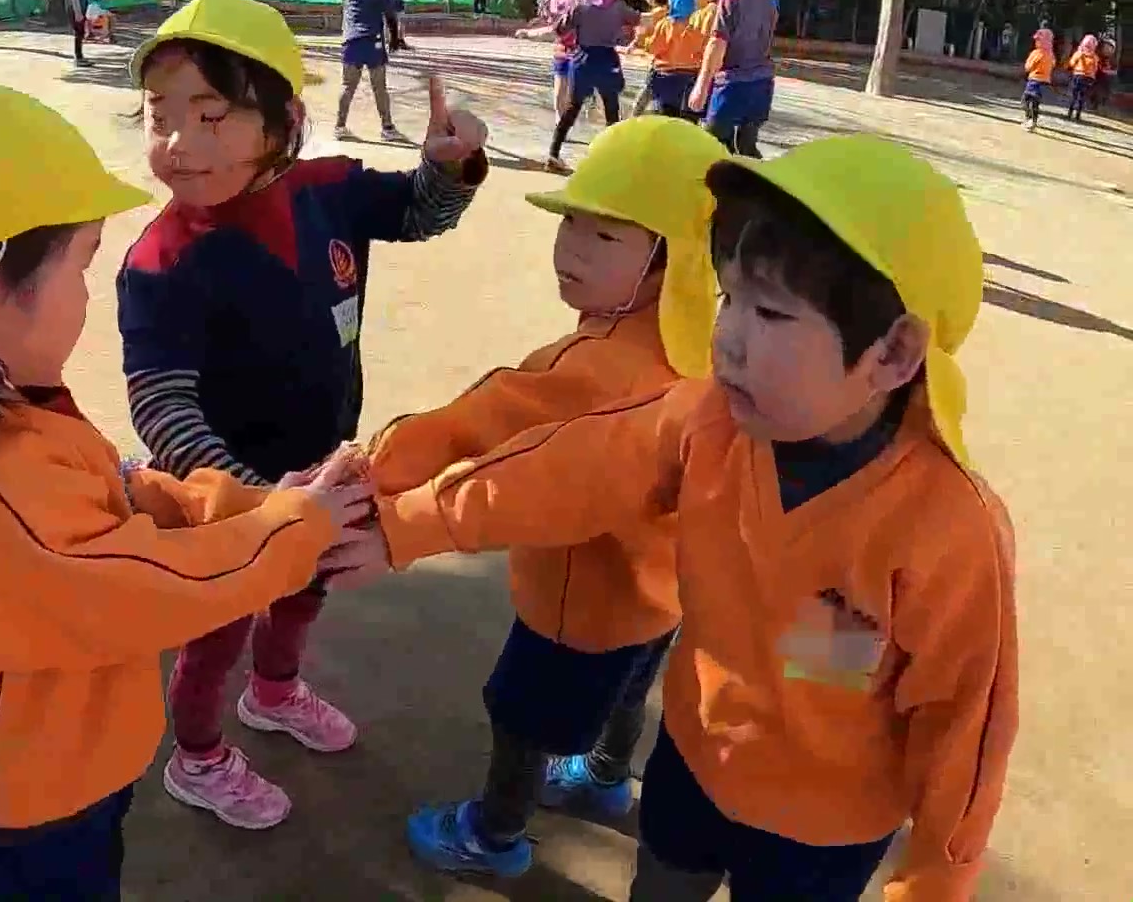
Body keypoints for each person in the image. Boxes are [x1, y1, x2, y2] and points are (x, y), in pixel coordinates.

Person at [359, 134, 1017, 902]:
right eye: (730, 297)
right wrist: (408, 521)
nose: (727, 337)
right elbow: (568, 468)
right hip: (693, 762)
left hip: (822, 831)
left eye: (770, 312)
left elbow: (963, 725)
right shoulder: (710, 423)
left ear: (895, 351)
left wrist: (938, 879)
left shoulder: (949, 532)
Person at [0, 79, 376, 899]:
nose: (87, 296)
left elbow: (124, 493)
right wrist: (294, 532)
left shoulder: (6, 410)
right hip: (25, 807)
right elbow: (148, 587)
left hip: (67, 763)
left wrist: (265, 503)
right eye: (79, 265)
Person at [116, 0, 490, 830]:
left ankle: (276, 692)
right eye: (160, 117)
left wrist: (445, 167)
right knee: (216, 629)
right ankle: (200, 756)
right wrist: (260, 504)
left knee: (302, 591)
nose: (179, 144)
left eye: (211, 116)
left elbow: (420, 215)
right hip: (223, 502)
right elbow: (163, 405)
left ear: (283, 121)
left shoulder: (327, 191)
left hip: (320, 459)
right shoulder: (161, 260)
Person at [381, 116, 728, 877]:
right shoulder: (713, 339)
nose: (570, 246)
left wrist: (377, 467)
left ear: (676, 260)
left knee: (520, 714)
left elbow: (478, 423)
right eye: (569, 222)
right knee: (634, 684)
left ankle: (493, 834)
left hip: (576, 601)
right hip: (658, 591)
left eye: (605, 237)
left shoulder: (593, 363)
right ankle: (605, 778)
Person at [541, 0, 639, 172]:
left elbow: (559, 29)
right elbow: (637, 20)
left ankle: (553, 154)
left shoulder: (580, 5)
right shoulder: (618, 6)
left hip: (582, 59)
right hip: (607, 59)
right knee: (611, 108)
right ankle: (613, 159)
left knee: (572, 107)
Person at [689, 0, 777, 157]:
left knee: (708, 141)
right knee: (746, 145)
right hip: (762, 84)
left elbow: (716, 46)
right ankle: (754, 186)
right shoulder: (770, 0)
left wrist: (701, 86)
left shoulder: (730, 1)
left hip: (732, 86)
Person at [334, 0, 405, 143]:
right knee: (379, 87)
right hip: (372, 41)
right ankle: (387, 128)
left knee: (348, 86)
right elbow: (391, 17)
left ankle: (339, 127)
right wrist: (396, 39)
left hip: (350, 42)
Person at [518, 0, 583, 117]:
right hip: (562, 51)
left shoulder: (577, 0)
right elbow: (552, 22)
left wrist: (530, 34)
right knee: (560, 94)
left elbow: (556, 29)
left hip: (580, 54)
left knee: (569, 94)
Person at [643, 0, 709, 121]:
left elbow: (654, 48)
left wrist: (646, 41)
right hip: (690, 78)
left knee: (664, 118)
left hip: (665, 78)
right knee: (687, 122)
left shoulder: (666, 25)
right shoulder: (696, 27)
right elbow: (702, 51)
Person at [630, 0, 672, 115]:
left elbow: (641, 39)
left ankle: (632, 121)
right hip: (677, 66)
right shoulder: (674, 12)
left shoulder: (650, 17)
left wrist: (635, 45)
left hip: (659, 65)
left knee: (644, 97)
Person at [1021, 27, 1055, 132]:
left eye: (1038, 40)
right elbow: (1053, 64)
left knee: (1025, 100)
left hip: (1034, 80)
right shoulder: (1050, 54)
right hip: (1045, 81)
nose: (1036, 42)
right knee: (1035, 102)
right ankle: (1033, 121)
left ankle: (1029, 119)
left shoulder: (1036, 53)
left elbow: (1028, 66)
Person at [1065, 34, 1100, 122]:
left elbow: (1071, 63)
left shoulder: (1079, 53)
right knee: (1082, 96)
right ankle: (1078, 115)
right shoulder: (1095, 57)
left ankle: (1069, 113)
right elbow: (1095, 69)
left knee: (1074, 95)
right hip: (1088, 78)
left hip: (1078, 76)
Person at [1094, 36, 1117, 113]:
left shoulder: (1112, 60)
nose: (1107, 49)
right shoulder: (1097, 57)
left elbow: (1114, 68)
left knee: (1105, 90)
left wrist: (1111, 71)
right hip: (1097, 77)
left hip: (1106, 79)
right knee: (1097, 89)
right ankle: (1096, 103)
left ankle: (1103, 102)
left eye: (1110, 48)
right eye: (1105, 47)